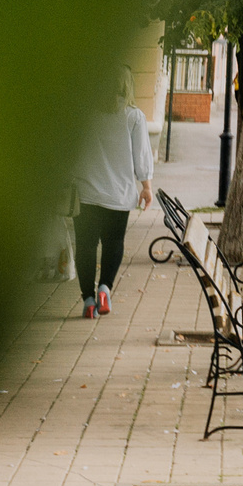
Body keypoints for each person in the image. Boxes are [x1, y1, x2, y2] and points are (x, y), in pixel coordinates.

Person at [72, 78, 155, 319]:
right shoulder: (134, 117)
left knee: (85, 247)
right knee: (113, 244)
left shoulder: (84, 114)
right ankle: (105, 289)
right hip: (119, 195)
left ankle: (88, 300)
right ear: (129, 85)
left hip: (86, 194)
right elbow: (142, 156)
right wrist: (146, 187)